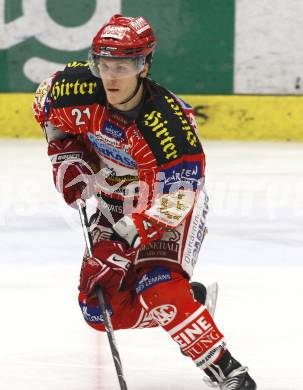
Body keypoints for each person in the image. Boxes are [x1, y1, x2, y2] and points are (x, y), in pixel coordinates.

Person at [33, 14, 257, 389]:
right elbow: (46, 107)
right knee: (99, 307)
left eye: (123, 66)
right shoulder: (74, 89)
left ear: (144, 65)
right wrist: (67, 156)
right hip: (111, 196)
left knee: (157, 285)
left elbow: (179, 197)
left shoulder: (168, 125)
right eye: (104, 65)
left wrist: (125, 240)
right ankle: (189, 304)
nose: (111, 77)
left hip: (165, 203)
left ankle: (228, 371)